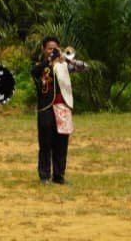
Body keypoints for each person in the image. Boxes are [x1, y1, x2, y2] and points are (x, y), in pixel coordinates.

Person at [32, 36, 84, 185]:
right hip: (46, 107)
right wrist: (49, 60)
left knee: (62, 143)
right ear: (43, 50)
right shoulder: (41, 65)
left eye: (55, 48)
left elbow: (84, 67)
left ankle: (59, 175)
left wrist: (70, 60)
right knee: (46, 143)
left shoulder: (64, 65)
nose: (52, 51)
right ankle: (44, 176)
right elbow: (34, 72)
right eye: (49, 48)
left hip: (63, 107)